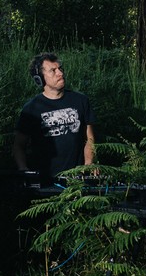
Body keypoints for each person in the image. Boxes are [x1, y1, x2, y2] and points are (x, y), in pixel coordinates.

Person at [12, 52, 96, 185]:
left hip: (77, 181)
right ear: (39, 78)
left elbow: (90, 138)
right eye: (53, 70)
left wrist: (88, 165)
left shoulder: (81, 101)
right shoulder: (31, 108)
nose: (60, 73)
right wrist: (24, 170)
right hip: (44, 183)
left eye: (60, 69)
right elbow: (18, 146)